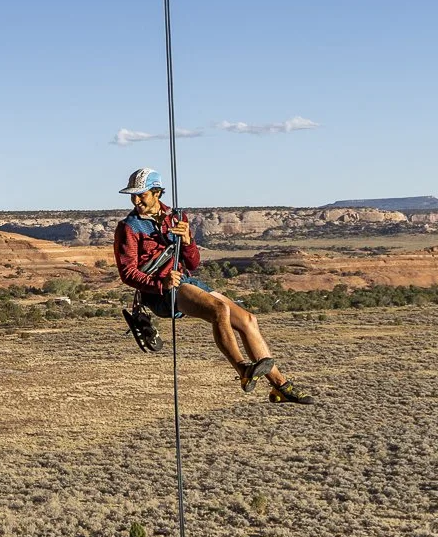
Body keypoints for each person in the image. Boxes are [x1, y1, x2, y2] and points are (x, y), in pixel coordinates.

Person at [112, 168, 314, 403]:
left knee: (248, 320)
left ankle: (280, 385)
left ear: (156, 193)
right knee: (220, 310)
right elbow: (127, 273)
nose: (136, 201)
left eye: (142, 195)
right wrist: (160, 282)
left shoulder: (177, 218)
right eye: (133, 196)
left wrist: (187, 241)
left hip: (186, 281)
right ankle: (243, 371)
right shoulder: (129, 228)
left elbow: (193, 262)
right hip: (161, 293)